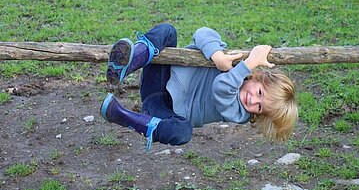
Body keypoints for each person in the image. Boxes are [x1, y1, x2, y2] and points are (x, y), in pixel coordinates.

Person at [100, 24, 298, 153]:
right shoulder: (234, 64)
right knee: (168, 31)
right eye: (260, 93)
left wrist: (249, 63)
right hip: (162, 74)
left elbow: (221, 88)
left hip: (161, 105)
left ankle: (123, 116)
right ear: (259, 77)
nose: (253, 101)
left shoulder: (238, 113)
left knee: (182, 132)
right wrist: (217, 55)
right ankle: (126, 64)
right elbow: (203, 33)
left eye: (260, 108)